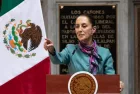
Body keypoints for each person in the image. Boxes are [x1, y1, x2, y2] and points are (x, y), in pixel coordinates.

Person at [44, 14, 124, 91]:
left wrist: (117, 83)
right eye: (77, 26)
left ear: (93, 29)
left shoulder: (105, 53)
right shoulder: (70, 49)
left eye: (84, 26)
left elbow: (110, 77)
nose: (79, 30)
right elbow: (57, 59)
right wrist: (51, 50)